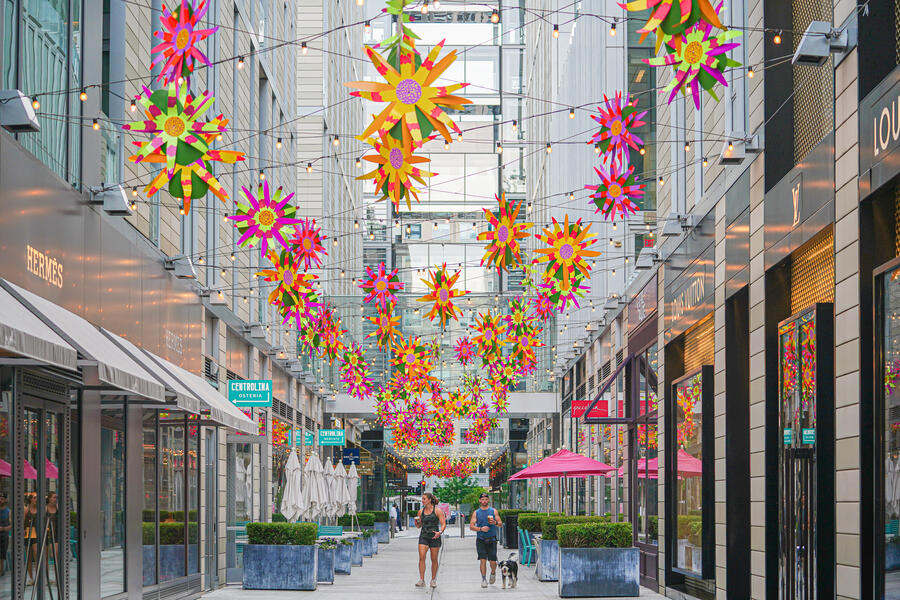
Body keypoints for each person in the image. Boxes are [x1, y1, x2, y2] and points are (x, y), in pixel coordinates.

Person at [469, 492, 502, 588]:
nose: (484, 501)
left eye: (486, 499)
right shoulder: (476, 513)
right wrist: (480, 529)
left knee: (493, 561)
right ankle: (483, 579)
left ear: (488, 500)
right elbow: (471, 526)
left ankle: (493, 572)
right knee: (482, 560)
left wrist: (495, 522)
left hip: (492, 539)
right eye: (482, 499)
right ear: (480, 500)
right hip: (481, 539)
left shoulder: (493, 511)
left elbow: (500, 523)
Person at [414, 492, 445, 588]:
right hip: (424, 535)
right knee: (422, 556)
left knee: (434, 558)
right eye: (422, 499)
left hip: (434, 536)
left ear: (429, 500)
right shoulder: (420, 511)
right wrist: (417, 524)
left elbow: (443, 523)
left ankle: (433, 579)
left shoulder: (437, 511)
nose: (422, 501)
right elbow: (419, 526)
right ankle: (422, 580)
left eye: (424, 499)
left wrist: (440, 532)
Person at [0, 493, 9, 577]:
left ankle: (1, 570)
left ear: (5, 500)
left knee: (2, 554)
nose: (0, 500)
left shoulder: (8, 511)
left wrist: (3, 528)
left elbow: (11, 525)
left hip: (4, 535)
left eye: (2, 498)